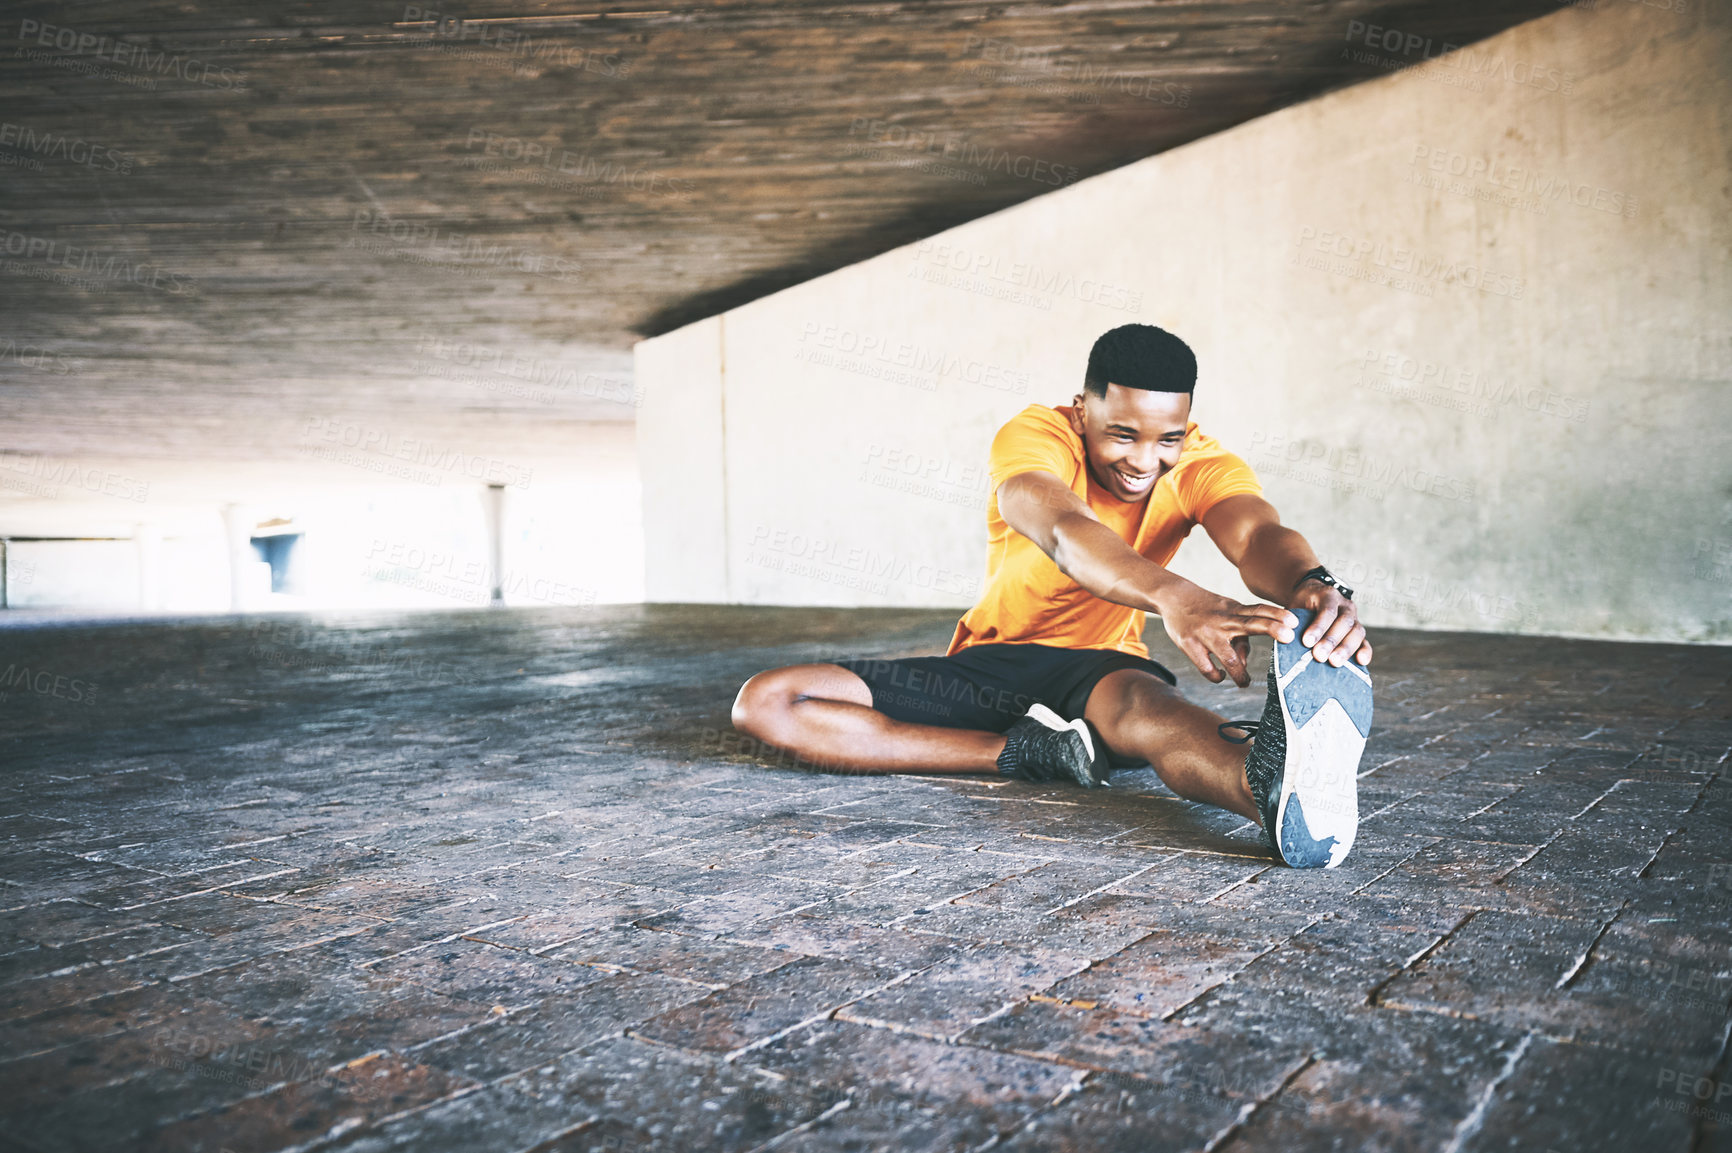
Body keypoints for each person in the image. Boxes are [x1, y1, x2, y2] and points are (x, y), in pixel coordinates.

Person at [730, 324, 1374, 868]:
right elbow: (1066, 532)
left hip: (1099, 667)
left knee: (1151, 712)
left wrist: (1310, 583)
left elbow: (1257, 531)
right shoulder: (1038, 436)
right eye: (1122, 434)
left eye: (1166, 439)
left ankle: (1268, 787)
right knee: (770, 703)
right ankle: (1033, 752)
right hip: (988, 663)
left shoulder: (1204, 463)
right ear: (1082, 409)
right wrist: (1174, 596)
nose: (1145, 461)